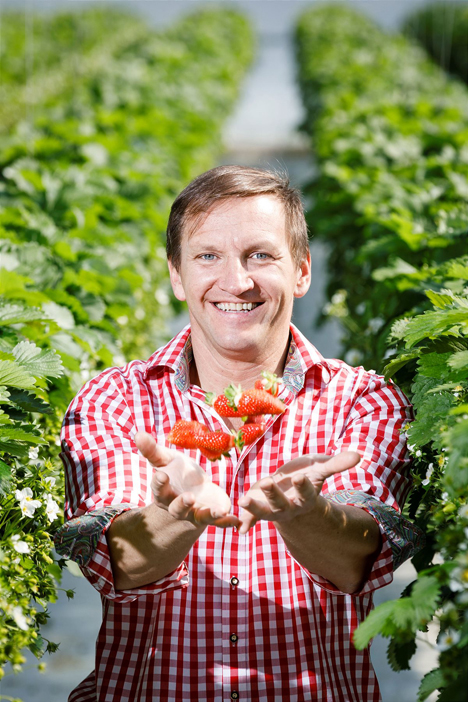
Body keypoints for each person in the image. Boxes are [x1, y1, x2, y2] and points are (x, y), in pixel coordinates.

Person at [55, 165, 423, 702]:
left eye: (261, 255)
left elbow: (359, 561)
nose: (236, 281)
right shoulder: (115, 401)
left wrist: (307, 514)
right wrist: (172, 515)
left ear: (301, 271)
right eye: (208, 256)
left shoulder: (363, 402)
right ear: (176, 274)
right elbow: (122, 563)